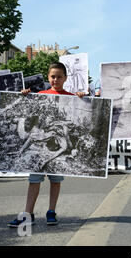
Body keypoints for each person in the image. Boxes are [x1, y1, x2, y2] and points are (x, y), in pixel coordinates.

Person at [8, 62, 85, 228]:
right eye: (52, 76)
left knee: (55, 181)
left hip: (56, 145)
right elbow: (32, 120)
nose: (55, 79)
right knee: (34, 181)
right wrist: (24, 95)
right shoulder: (40, 94)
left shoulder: (71, 97)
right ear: (48, 77)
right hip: (41, 144)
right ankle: (27, 214)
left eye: (59, 77)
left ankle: (51, 211)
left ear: (65, 78)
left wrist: (81, 98)